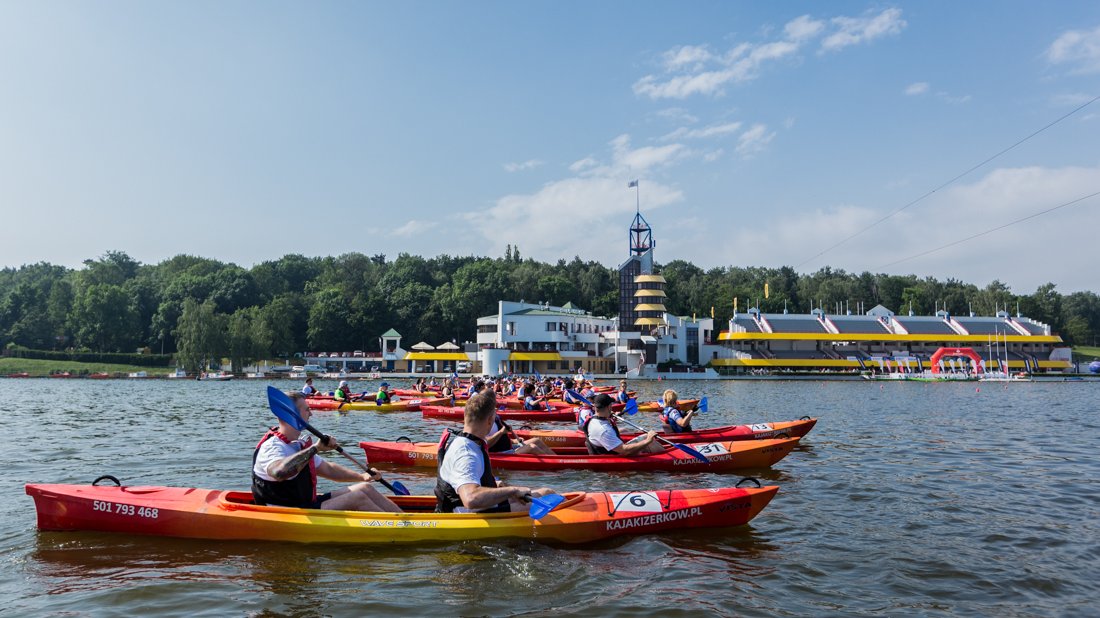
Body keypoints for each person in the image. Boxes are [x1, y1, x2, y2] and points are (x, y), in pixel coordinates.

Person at [252, 391, 402, 512]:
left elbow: (328, 469)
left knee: (365, 488)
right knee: (357, 498)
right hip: (285, 511)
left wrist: (362, 476)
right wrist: (316, 448)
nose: (310, 414)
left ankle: (405, 520)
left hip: (304, 504)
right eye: (307, 410)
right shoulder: (272, 447)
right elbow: (280, 472)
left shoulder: (298, 444)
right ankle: (399, 531)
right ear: (292, 415)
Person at [435, 391, 554, 513]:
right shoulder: (466, 453)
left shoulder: (470, 442)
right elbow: (471, 498)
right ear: (490, 420)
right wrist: (513, 490)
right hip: (469, 514)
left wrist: (495, 484)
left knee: (547, 493)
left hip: (478, 507)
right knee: (550, 504)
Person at [583, 393, 663, 455]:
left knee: (639, 435)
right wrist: (648, 441)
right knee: (648, 439)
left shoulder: (593, 419)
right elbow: (624, 450)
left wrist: (609, 417)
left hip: (609, 449)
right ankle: (666, 457)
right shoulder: (603, 430)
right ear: (608, 407)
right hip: (617, 454)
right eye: (611, 405)